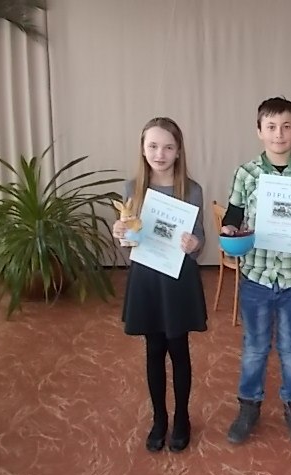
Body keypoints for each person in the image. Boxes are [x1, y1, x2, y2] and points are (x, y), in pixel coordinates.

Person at [221, 97, 291, 448]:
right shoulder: (246, 173)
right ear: (259, 131)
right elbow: (233, 216)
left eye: (286, 126)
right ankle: (248, 407)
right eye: (271, 127)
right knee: (254, 347)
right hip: (256, 275)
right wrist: (228, 230)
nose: (279, 134)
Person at [112, 117, 207, 453]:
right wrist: (120, 232)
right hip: (147, 279)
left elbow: (200, 238)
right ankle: (159, 419)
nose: (160, 153)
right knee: (153, 350)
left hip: (178, 279)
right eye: (152, 146)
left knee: (178, 349)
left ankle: (182, 418)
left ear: (179, 151)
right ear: (142, 149)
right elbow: (129, 238)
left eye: (168, 147)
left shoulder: (191, 189)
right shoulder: (131, 189)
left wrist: (194, 244)